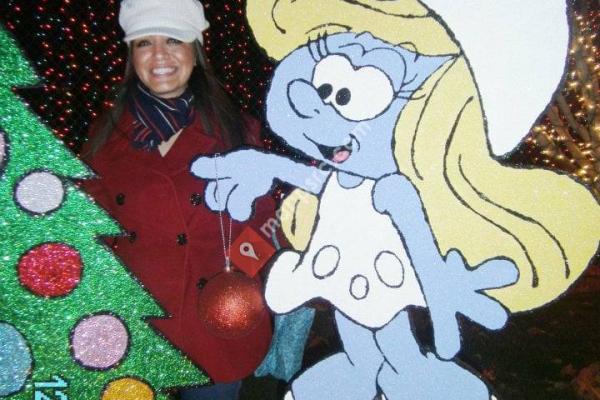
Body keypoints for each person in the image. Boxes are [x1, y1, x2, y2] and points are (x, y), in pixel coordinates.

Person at [81, 0, 275, 398]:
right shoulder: (105, 137)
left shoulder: (236, 131)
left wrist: (236, 279)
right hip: (134, 330)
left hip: (214, 328)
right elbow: (87, 229)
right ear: (131, 55)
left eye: (173, 40)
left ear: (195, 50)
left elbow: (271, 224)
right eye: (144, 43)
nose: (159, 56)